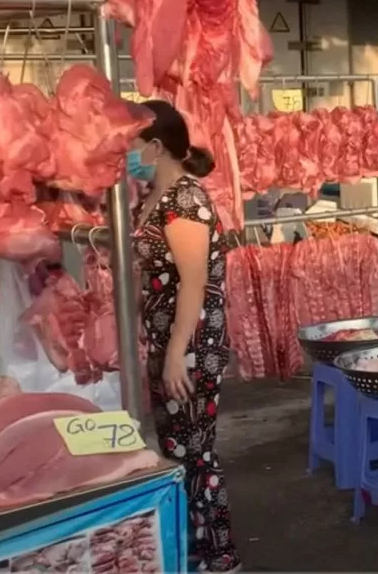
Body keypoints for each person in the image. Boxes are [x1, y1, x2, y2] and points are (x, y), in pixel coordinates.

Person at [128, 100, 241, 573]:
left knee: (196, 450)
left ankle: (220, 555)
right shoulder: (148, 197)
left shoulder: (187, 200)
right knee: (175, 449)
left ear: (156, 147)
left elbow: (194, 283)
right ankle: (192, 549)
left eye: (130, 145)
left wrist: (176, 353)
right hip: (165, 341)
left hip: (193, 345)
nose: (125, 155)